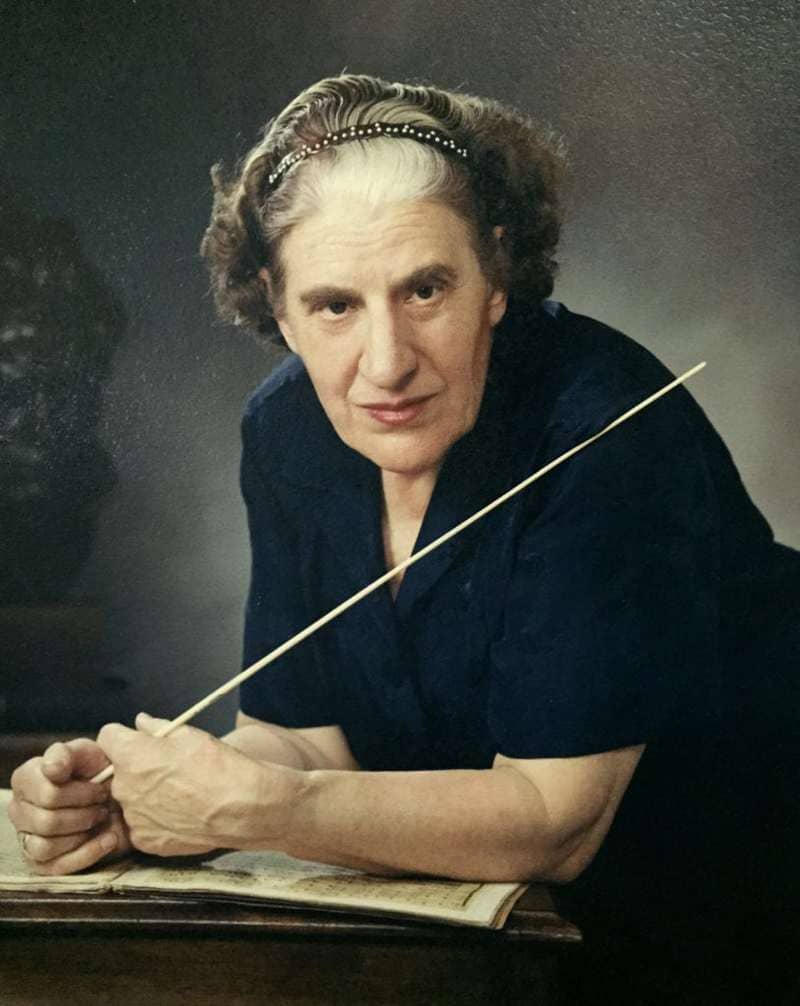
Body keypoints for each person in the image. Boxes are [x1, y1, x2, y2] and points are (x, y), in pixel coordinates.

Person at [8, 74, 799, 1003]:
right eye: (334, 305)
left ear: (496, 276)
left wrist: (260, 809)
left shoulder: (608, 430)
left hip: (738, 919)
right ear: (278, 309)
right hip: (510, 957)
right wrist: (145, 801)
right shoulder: (288, 430)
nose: (385, 364)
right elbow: (304, 742)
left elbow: (555, 823)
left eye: (424, 289)